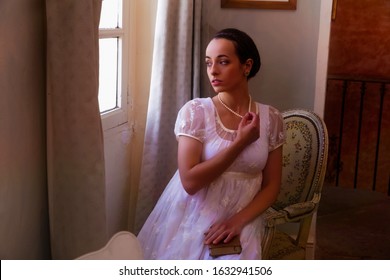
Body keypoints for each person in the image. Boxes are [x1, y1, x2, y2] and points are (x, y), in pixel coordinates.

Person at [137, 28, 286, 259]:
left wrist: (237, 222)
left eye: (223, 62)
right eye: (208, 63)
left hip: (243, 218)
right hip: (193, 217)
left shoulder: (271, 118)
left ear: (247, 66)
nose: (213, 71)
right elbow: (189, 182)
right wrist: (239, 144)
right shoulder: (196, 112)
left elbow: (272, 187)